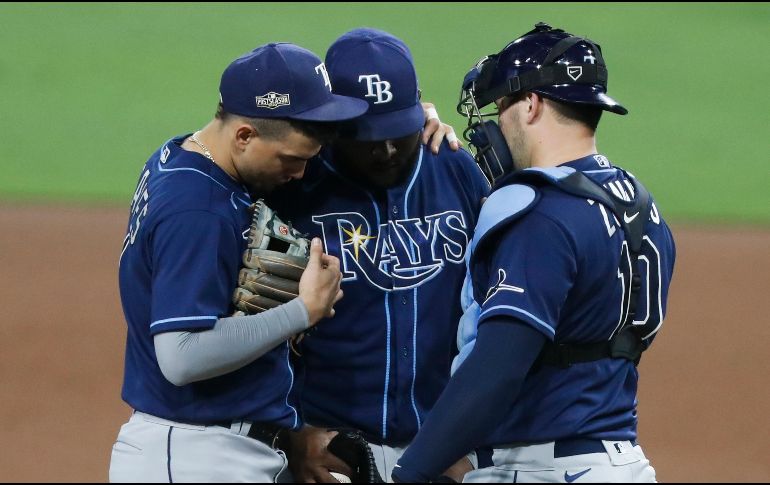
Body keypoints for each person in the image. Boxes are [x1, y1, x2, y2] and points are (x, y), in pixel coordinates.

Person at [392, 23, 677, 483]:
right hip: (620, 460)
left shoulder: (541, 214)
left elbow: (497, 369)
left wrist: (408, 472)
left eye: (501, 106)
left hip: (544, 468)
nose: (495, 123)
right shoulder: (639, 204)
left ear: (531, 105)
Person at [109, 42, 371, 483]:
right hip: (195, 455)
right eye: (291, 159)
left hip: (215, 449)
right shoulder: (199, 211)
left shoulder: (182, 155)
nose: (301, 174)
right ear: (245, 135)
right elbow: (182, 356)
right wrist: (302, 310)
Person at [265, 28, 490, 482]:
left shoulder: (455, 169)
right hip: (328, 455)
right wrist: (288, 432)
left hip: (442, 454)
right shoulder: (295, 184)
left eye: (397, 133)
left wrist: (471, 441)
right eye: (366, 137)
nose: (386, 150)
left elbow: (497, 312)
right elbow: (249, 323)